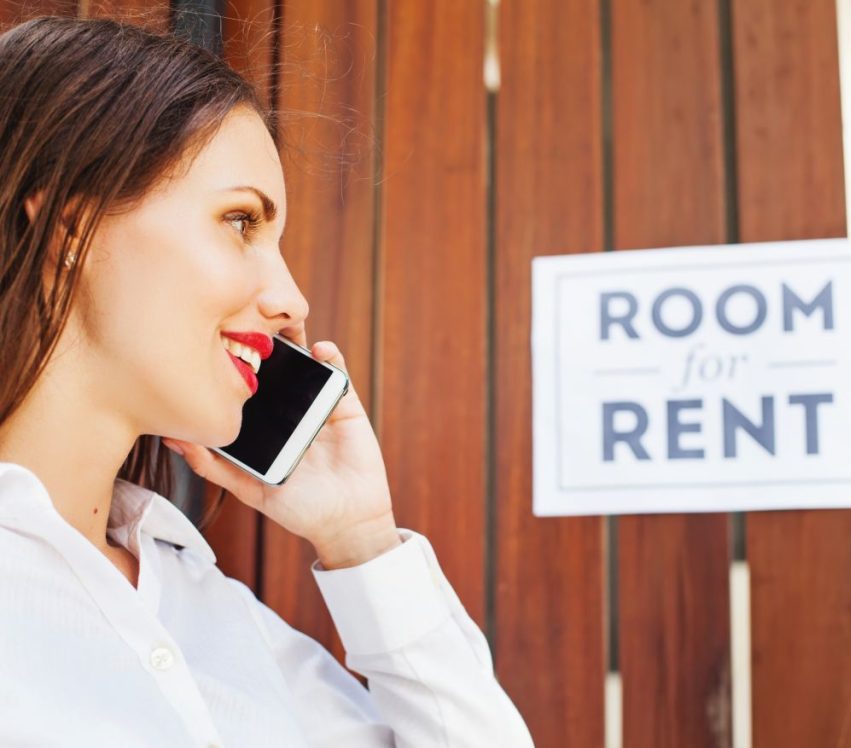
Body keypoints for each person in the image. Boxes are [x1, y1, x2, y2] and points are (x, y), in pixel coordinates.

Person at [0, 15, 533, 747]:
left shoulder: (210, 612)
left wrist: (361, 539)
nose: (290, 299)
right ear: (72, 234)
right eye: (240, 221)